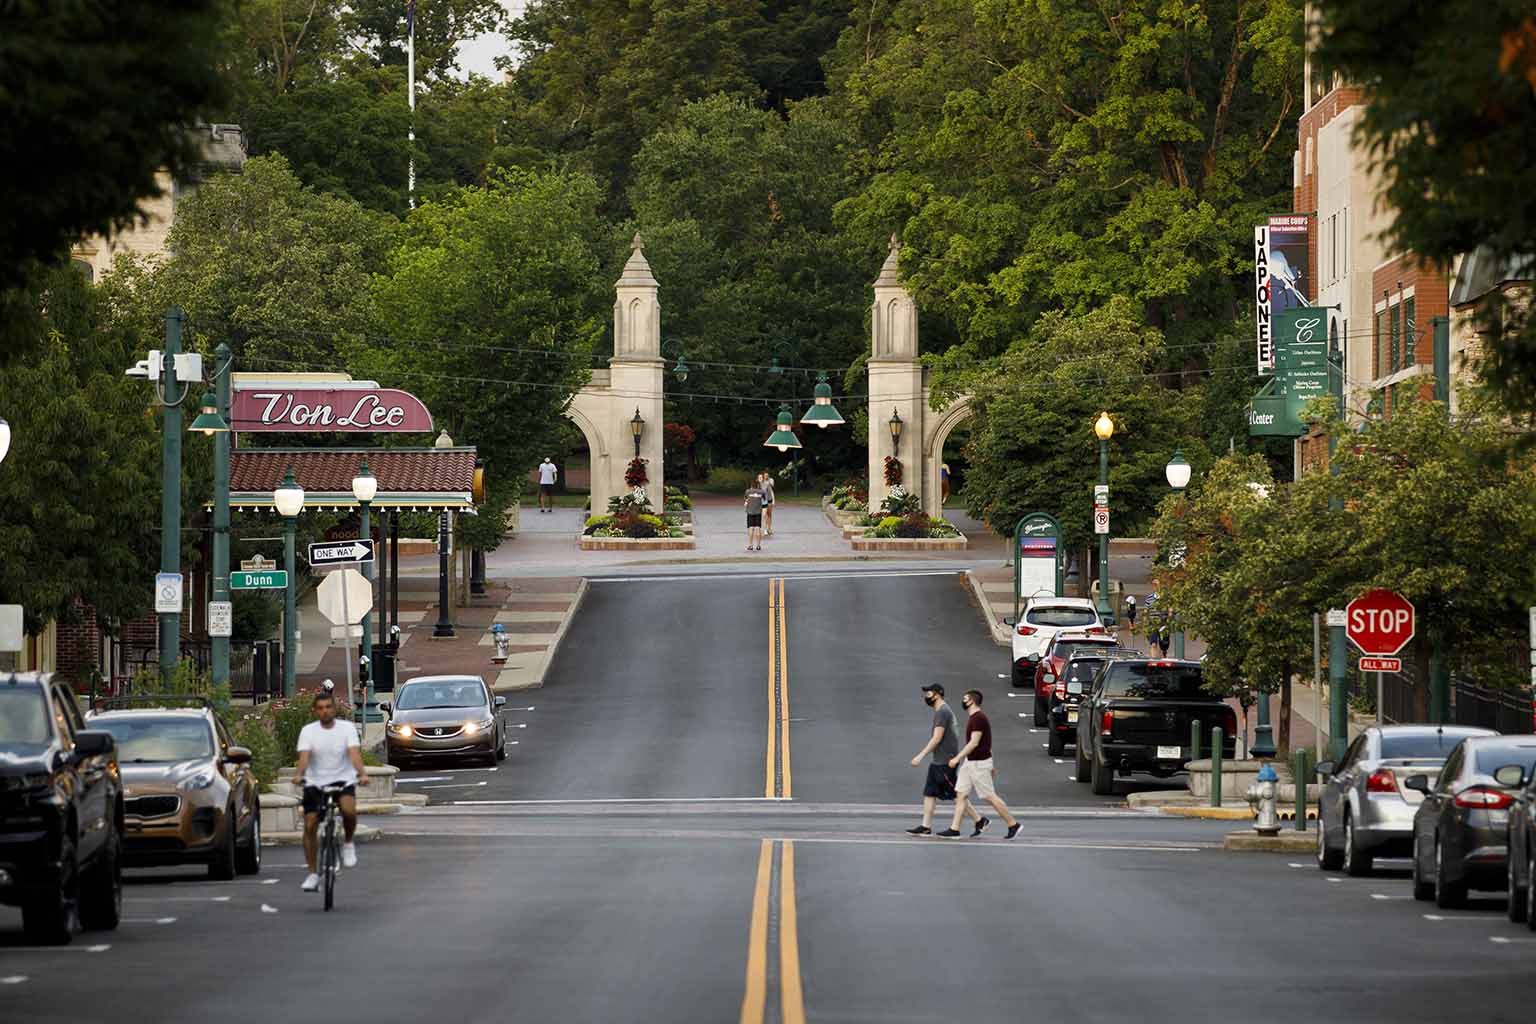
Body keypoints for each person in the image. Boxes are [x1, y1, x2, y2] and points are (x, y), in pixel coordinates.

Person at [294, 687, 367, 892]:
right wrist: (299, 774)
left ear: (334, 709)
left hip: (342, 780)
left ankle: (349, 843)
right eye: (320, 708)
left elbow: (354, 754)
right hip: (315, 782)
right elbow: (304, 758)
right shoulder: (308, 731)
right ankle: (312, 873)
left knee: (349, 811)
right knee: (309, 825)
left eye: (328, 707)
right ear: (314, 711)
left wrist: (362, 774)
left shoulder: (346, 729)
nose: (324, 711)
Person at [940, 690, 1021, 839]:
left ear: (971, 700)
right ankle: (955, 829)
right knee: (960, 795)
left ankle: (1013, 824)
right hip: (971, 762)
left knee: (989, 796)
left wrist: (957, 758)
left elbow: (974, 742)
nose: (962, 701)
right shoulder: (975, 718)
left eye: (965, 698)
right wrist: (992, 762)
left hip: (978, 763)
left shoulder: (978, 718)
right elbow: (987, 743)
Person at [907, 684, 979, 835]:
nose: (926, 696)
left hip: (946, 760)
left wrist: (920, 755)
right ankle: (925, 826)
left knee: (956, 793)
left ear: (937, 695)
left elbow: (937, 737)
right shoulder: (942, 711)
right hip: (938, 760)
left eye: (929, 694)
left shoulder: (943, 712)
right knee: (930, 793)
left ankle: (979, 820)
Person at [744, 478, 765, 551]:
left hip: (750, 512)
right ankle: (758, 545)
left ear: (751, 485)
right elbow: (764, 499)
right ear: (758, 485)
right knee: (758, 528)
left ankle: (750, 545)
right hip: (758, 512)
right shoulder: (761, 492)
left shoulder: (748, 491)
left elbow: (746, 499)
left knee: (750, 528)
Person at [759, 470, 776, 536]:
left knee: (769, 514)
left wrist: (774, 500)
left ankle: (769, 528)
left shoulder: (770, 481)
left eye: (767, 475)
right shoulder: (760, 483)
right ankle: (765, 529)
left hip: (769, 499)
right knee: (765, 515)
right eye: (765, 475)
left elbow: (772, 490)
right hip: (763, 501)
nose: (766, 476)